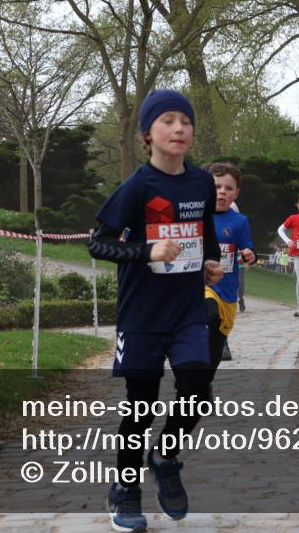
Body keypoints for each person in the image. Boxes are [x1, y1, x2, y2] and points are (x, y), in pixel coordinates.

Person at [88, 89, 223, 533]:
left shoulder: (202, 182)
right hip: (142, 314)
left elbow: (203, 231)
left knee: (197, 389)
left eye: (186, 121)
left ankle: (165, 456)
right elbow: (99, 242)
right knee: (140, 407)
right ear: (149, 133)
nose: (180, 129)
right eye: (168, 120)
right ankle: (125, 490)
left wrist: (209, 262)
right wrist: (147, 252)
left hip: (187, 308)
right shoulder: (137, 186)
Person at [204, 162, 255, 378]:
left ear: (236, 194)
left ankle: (204, 382)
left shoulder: (240, 221)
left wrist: (249, 254)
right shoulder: (197, 217)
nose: (222, 192)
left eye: (228, 188)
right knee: (210, 314)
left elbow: (248, 248)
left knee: (217, 344)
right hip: (204, 285)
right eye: (216, 187)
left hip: (228, 290)